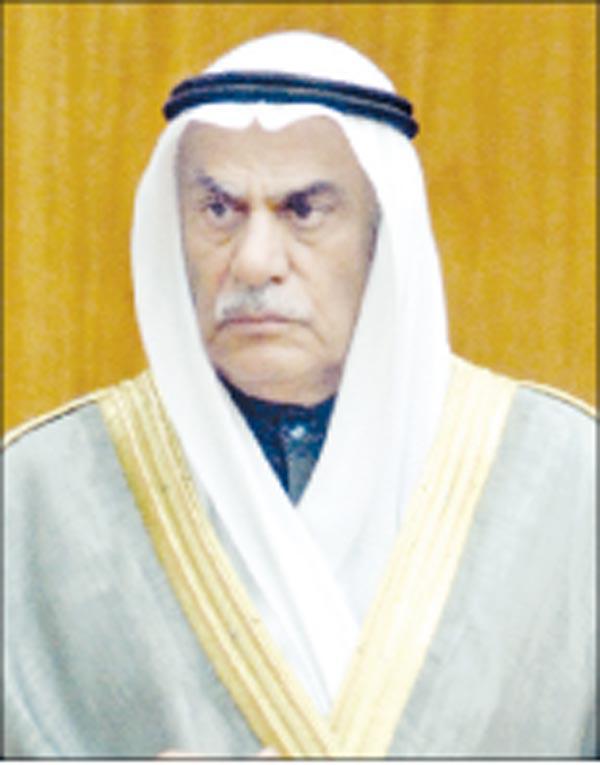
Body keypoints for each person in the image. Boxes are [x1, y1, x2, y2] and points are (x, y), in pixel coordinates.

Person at [4, 31, 595, 758]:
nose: (254, 262)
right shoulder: (38, 496)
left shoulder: (567, 481)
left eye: (304, 210)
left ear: (383, 237)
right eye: (219, 210)